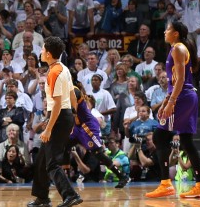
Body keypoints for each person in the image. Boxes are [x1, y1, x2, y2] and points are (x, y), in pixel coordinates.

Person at [146, 20, 200, 198]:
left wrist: (171, 102)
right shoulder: (177, 48)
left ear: (175, 33)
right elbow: (175, 80)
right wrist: (166, 99)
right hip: (184, 96)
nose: (165, 32)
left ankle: (166, 183)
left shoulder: (178, 49)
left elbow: (180, 80)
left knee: (160, 136)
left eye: (168, 29)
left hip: (182, 97)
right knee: (187, 141)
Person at [29, 37, 82, 207]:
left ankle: (70, 194)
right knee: (42, 160)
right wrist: (75, 114)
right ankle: (42, 197)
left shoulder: (53, 73)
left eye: (43, 50)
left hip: (58, 117)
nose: (41, 52)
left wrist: (48, 129)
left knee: (51, 162)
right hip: (63, 116)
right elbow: (73, 93)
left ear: (49, 54)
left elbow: (58, 104)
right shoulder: (63, 68)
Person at [68, 81, 129, 188]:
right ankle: (64, 178)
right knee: (64, 145)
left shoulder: (76, 93)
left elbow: (73, 110)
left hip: (87, 127)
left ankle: (122, 176)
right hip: (78, 126)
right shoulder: (66, 93)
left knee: (98, 154)